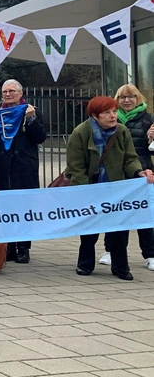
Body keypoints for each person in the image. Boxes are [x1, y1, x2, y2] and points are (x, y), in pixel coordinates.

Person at [66, 96, 154, 281]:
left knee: (119, 230)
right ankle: (85, 264)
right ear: (95, 116)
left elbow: (130, 158)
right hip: (91, 187)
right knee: (89, 230)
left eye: (114, 111)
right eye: (107, 113)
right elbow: (77, 167)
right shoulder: (81, 132)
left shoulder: (121, 131)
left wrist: (138, 172)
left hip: (116, 189)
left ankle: (121, 267)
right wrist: (84, 193)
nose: (113, 116)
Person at [0, 79, 46, 264]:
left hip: (23, 168)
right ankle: (8, 246)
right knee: (4, 209)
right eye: (5, 91)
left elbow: (40, 138)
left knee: (24, 209)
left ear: (20, 93)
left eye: (11, 91)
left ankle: (23, 247)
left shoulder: (32, 112)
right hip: (1, 167)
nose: (8, 94)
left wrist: (32, 119)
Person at [105, 85, 154, 271]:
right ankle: (111, 251)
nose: (127, 100)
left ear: (138, 98)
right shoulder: (110, 118)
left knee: (144, 215)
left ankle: (150, 254)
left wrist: (151, 140)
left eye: (131, 97)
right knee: (115, 214)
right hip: (116, 174)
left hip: (142, 172)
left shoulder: (149, 119)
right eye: (122, 97)